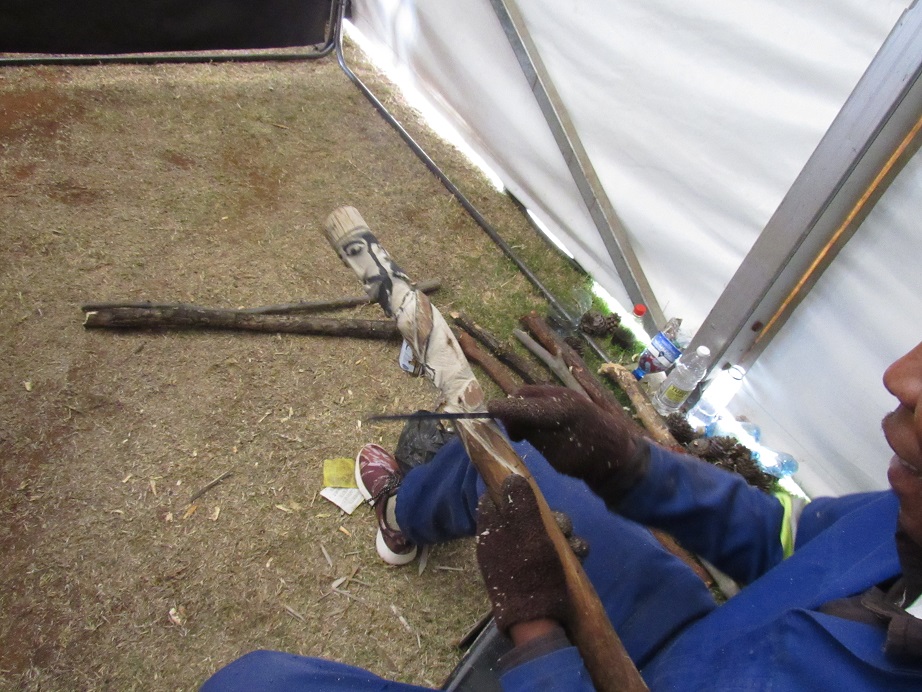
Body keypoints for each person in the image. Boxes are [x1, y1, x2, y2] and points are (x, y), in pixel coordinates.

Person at [201, 342, 922, 690]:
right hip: (707, 640)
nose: (901, 378)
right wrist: (630, 465)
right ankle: (403, 515)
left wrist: (538, 636)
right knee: (509, 452)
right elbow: (786, 542)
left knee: (252, 688)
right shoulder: (910, 511)